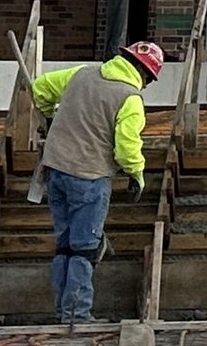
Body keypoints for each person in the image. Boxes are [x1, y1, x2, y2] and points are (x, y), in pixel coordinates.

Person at [31, 40, 164, 324]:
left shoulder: (81, 74)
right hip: (89, 178)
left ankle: (63, 313)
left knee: (64, 246)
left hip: (55, 170)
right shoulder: (130, 98)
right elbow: (126, 148)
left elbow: (40, 88)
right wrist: (137, 174)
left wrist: (50, 115)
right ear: (146, 75)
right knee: (84, 248)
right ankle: (77, 317)